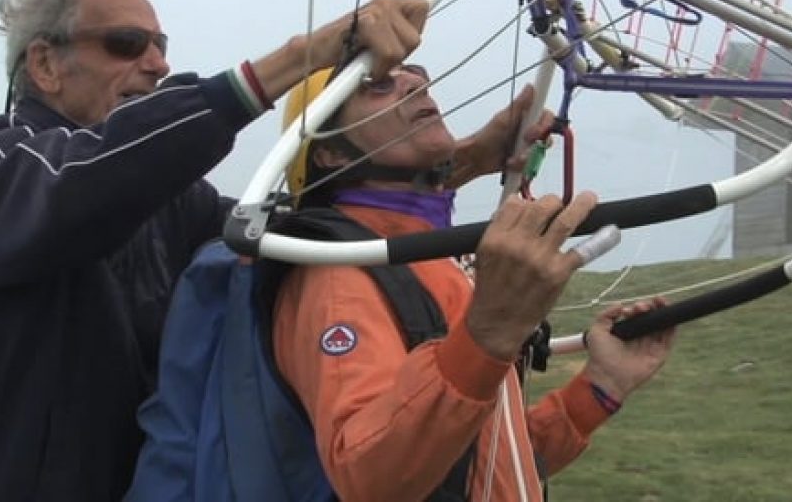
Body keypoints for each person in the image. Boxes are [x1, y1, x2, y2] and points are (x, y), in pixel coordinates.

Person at [0, 0, 542, 502]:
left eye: (161, 44)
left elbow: (296, 230)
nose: (158, 63)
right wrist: (303, 57)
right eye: (127, 43)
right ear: (46, 63)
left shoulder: (167, 204)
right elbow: (79, 190)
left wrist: (457, 163)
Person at [270, 62, 677, 500]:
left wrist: (601, 388)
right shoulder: (338, 276)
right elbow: (371, 476)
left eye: (418, 77)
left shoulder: (433, 258)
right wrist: (489, 333)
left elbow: (489, 464)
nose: (415, 84)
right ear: (330, 154)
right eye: (378, 86)